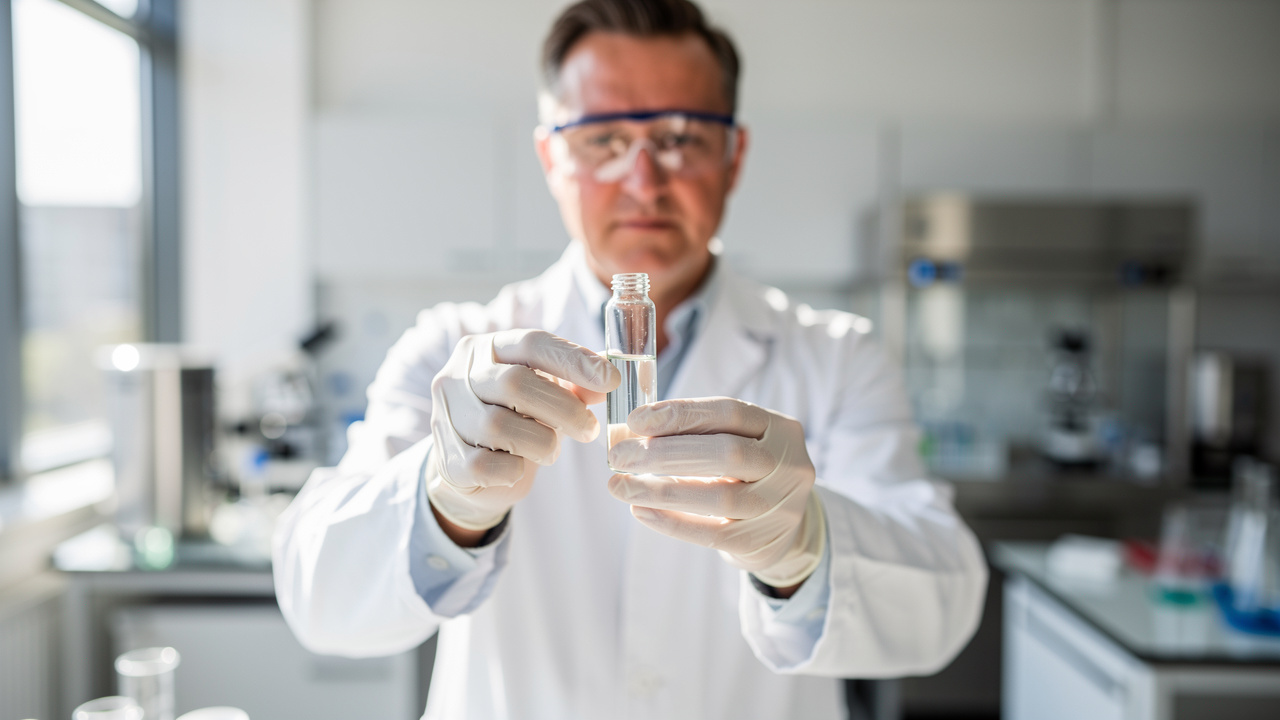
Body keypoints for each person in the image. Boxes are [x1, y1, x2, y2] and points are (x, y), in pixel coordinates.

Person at [273, 1, 987, 717]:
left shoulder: (837, 358)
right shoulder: (453, 347)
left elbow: (943, 605)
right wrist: (443, 502)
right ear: (551, 158)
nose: (644, 181)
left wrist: (805, 545)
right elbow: (318, 597)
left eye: (680, 138)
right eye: (604, 139)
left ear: (734, 156)